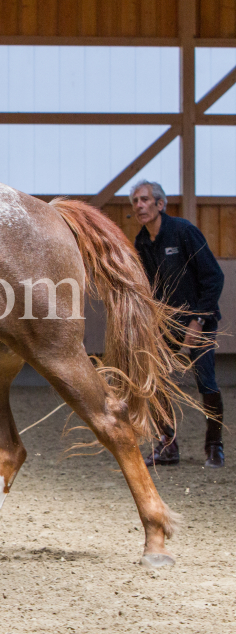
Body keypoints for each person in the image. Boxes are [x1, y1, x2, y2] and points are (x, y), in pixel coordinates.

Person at [130, 180, 226, 468]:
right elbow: (148, 287)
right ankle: (167, 446)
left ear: (160, 204)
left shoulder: (184, 232)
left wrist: (198, 320)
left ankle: (214, 446)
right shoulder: (142, 242)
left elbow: (214, 277)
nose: (139, 205)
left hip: (199, 322)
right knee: (156, 383)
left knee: (206, 383)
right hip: (164, 327)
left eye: (145, 199)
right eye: (135, 201)